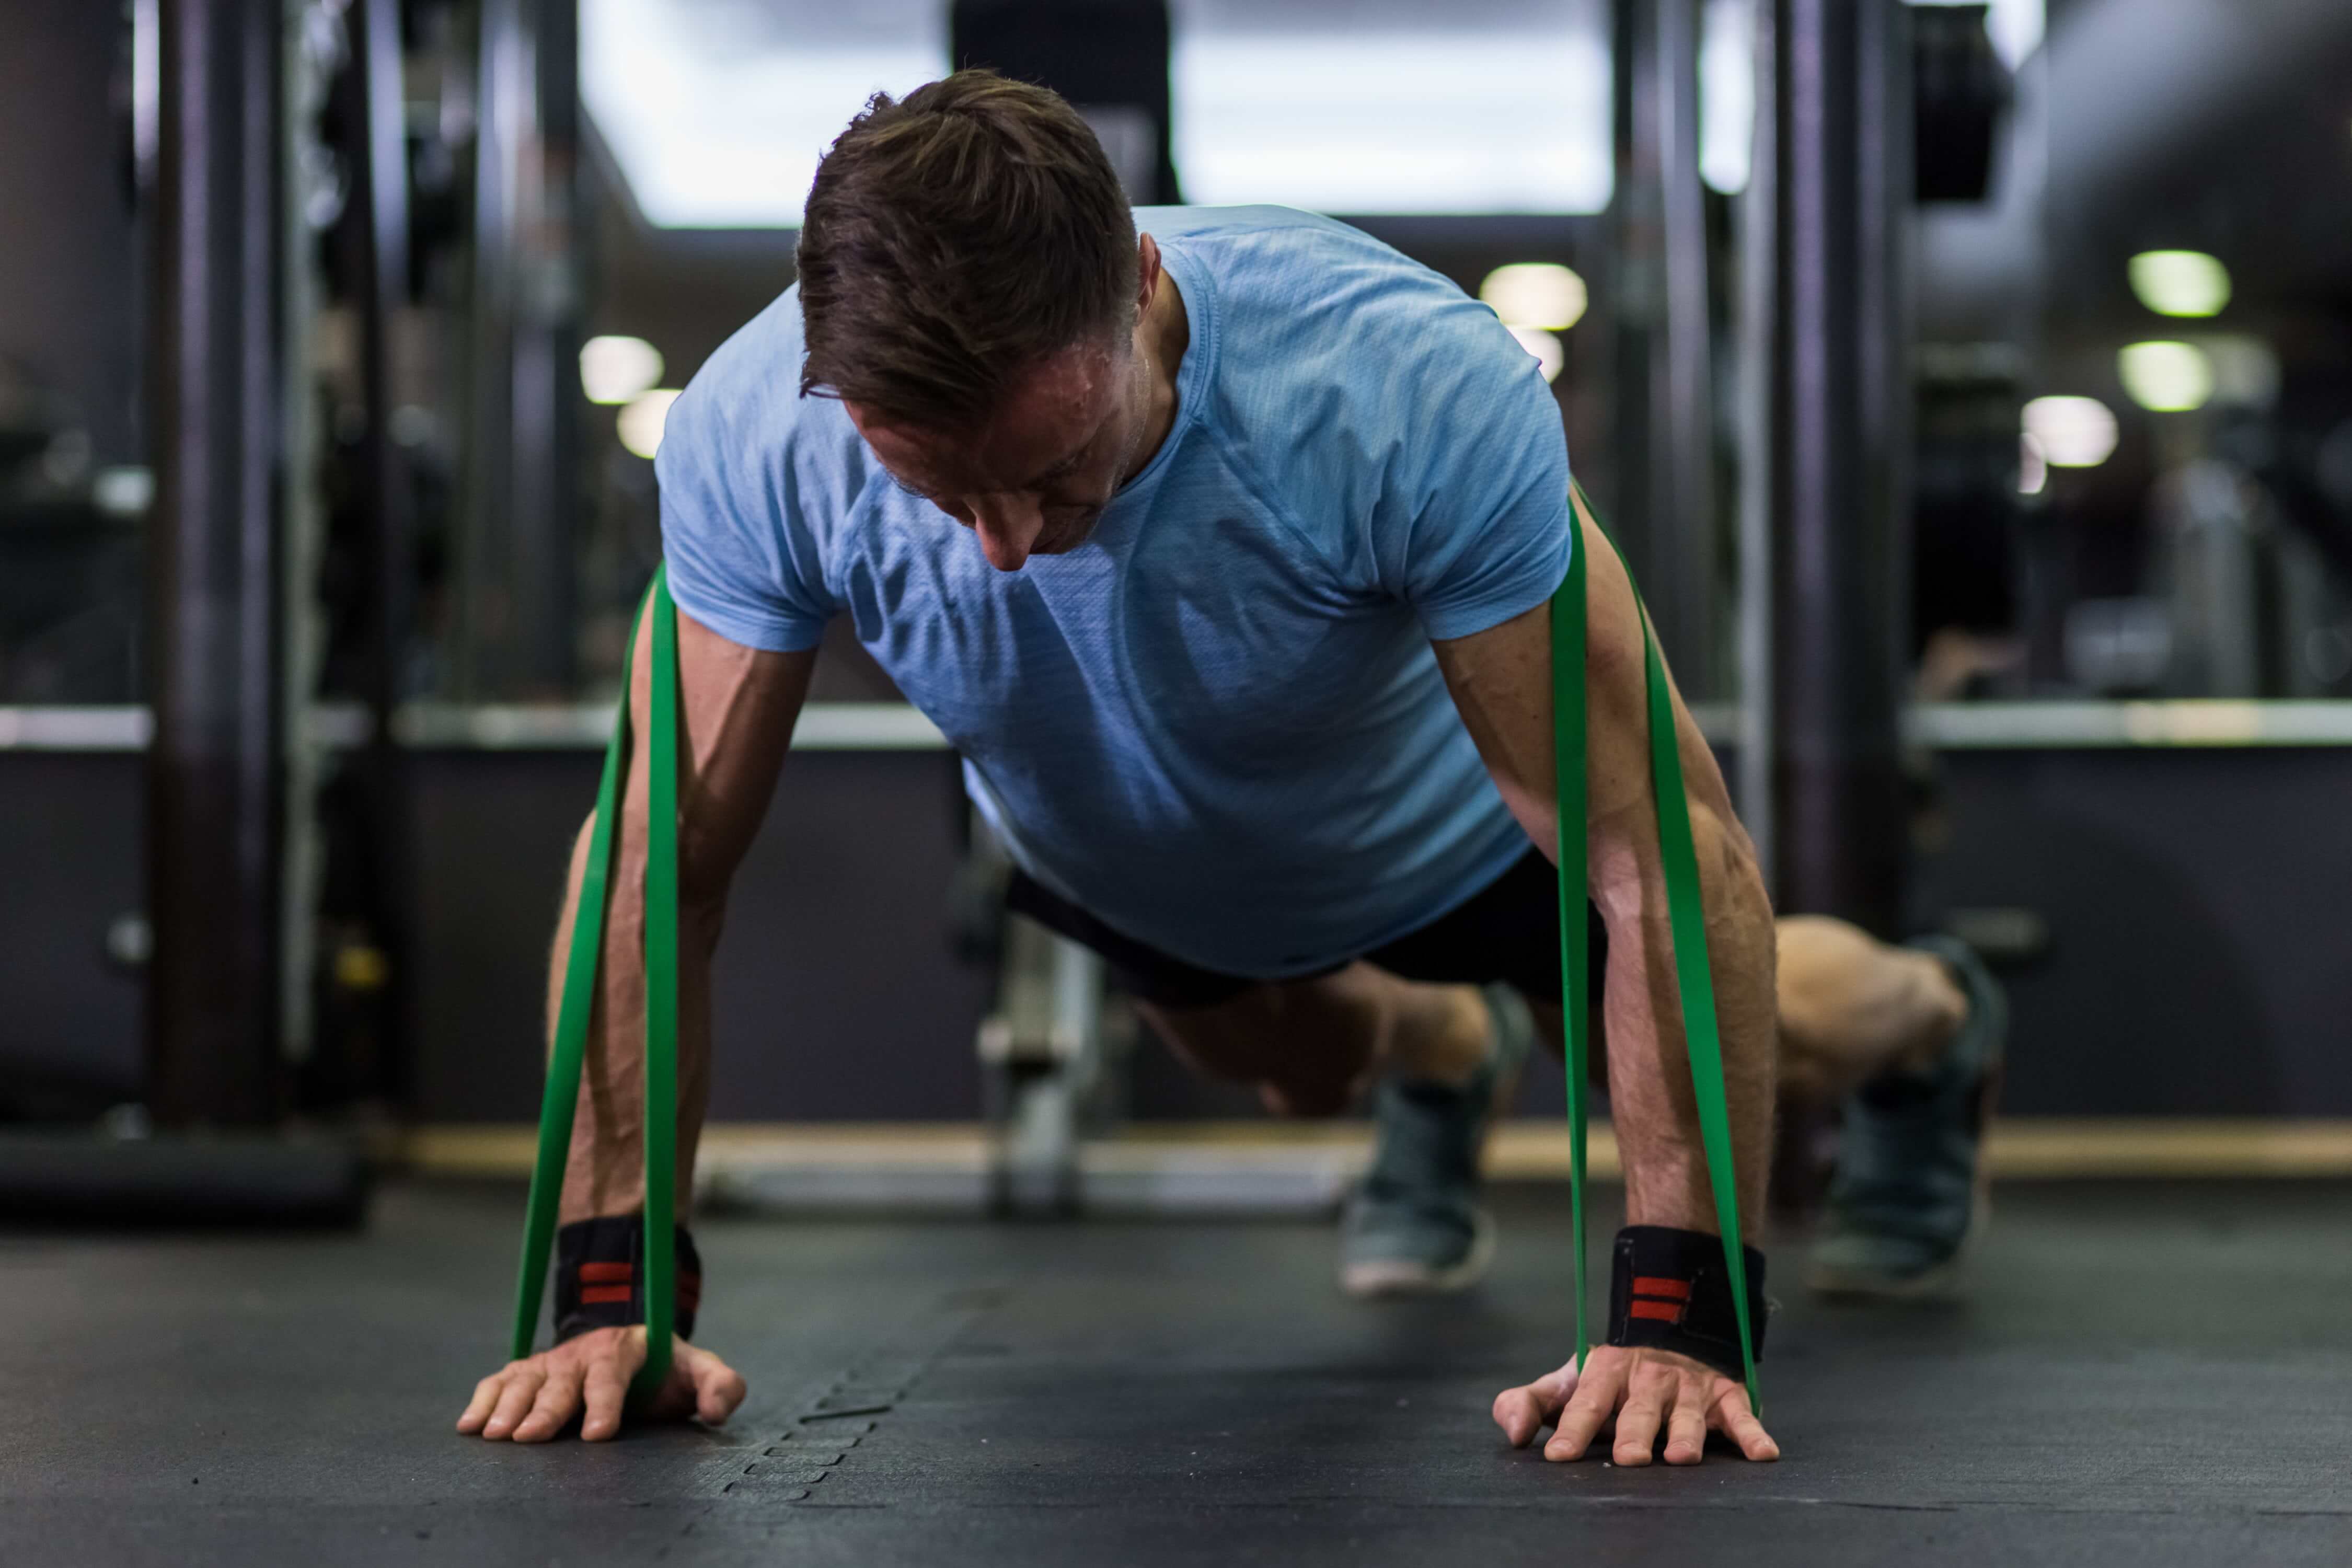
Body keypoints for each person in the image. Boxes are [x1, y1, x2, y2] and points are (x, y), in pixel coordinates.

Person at [456, 71, 1999, 1466]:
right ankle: (1442, 1061)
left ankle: (1937, 1021)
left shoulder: (1397, 383)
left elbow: (1658, 862)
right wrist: (611, 1290)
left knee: (1775, 1021)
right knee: (1295, 1074)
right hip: (1129, 862)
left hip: (1453, 837)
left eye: (1053, 472)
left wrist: (1677, 1317)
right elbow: (658, 866)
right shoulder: (752, 434)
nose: (998, 549)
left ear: (1137, 285)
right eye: (942, 493)